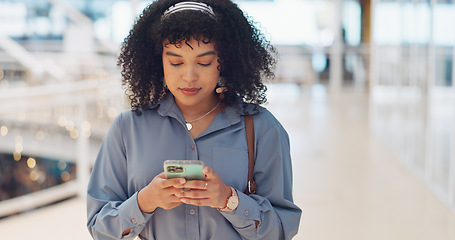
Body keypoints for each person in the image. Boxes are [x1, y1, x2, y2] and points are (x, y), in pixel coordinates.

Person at [86, 0, 302, 239]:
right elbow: (99, 228)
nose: (189, 76)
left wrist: (229, 200)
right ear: (159, 62)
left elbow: (282, 230)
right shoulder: (128, 128)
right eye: (176, 62)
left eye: (204, 62)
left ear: (224, 61)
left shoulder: (262, 128)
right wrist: (145, 201)